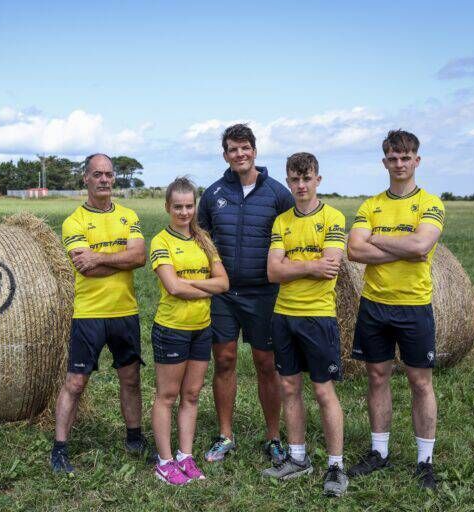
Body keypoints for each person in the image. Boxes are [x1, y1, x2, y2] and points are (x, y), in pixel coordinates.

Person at [346, 130, 445, 489]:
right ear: (384, 161)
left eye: (406, 157)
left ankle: (425, 461)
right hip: (374, 305)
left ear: (417, 160)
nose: (399, 163)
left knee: (421, 383)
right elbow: (354, 251)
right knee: (377, 377)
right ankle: (379, 453)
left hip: (414, 307)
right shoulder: (370, 205)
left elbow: (422, 245)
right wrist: (403, 246)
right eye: (393, 157)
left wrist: (376, 238)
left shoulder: (431, 203)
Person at [197, 124, 295, 463]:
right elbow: (201, 241)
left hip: (264, 294)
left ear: (254, 150)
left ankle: (273, 437)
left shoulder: (278, 194)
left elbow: (292, 237)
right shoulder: (212, 194)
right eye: (232, 149)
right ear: (225, 155)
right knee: (223, 361)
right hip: (223, 295)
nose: (239, 154)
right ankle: (225, 435)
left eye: (245, 148)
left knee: (266, 364)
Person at [51, 153, 149, 473]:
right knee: (76, 383)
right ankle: (60, 449)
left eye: (108, 174)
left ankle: (134, 438)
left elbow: (139, 257)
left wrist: (99, 257)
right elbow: (85, 268)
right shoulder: (74, 221)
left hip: (125, 310)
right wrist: (118, 257)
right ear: (86, 179)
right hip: (89, 313)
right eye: (98, 174)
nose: (104, 179)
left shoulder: (128, 215)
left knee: (130, 379)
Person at [262, 152, 349, 496]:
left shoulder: (333, 218)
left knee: (324, 391)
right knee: (288, 388)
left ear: (318, 180)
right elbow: (272, 272)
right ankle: (297, 458)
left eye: (307, 179)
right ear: (288, 182)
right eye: (295, 180)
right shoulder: (282, 221)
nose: (301, 185)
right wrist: (309, 267)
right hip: (284, 315)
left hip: (318, 316)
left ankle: (336, 466)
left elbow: (331, 265)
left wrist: (293, 265)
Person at [149, 177, 230, 485]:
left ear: (195, 206)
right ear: (167, 207)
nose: (184, 212)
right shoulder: (161, 241)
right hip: (172, 328)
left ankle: (185, 455)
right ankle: (165, 461)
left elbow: (223, 283)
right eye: (178, 206)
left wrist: (190, 285)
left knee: (192, 394)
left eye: (189, 206)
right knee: (168, 395)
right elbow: (171, 287)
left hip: (201, 328)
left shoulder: (203, 240)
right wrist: (203, 287)